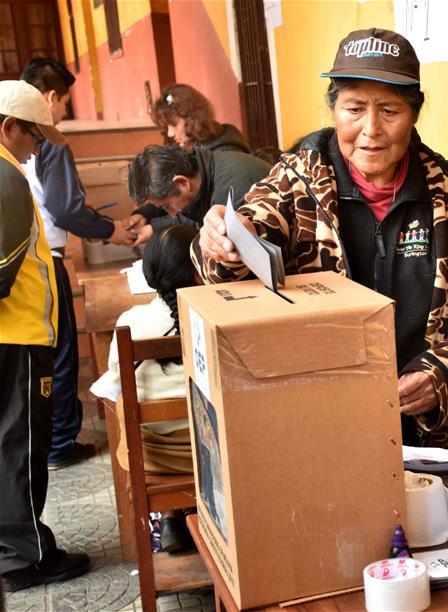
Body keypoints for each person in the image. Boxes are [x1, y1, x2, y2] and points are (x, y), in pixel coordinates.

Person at [197, 28, 448, 448]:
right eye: (354, 109)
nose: (371, 129)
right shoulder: (292, 185)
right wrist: (221, 243)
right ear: (333, 111)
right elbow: (235, 261)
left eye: (390, 111)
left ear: (414, 113)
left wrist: (442, 375)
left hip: (435, 437)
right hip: (324, 426)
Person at [21, 57, 134, 470]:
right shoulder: (48, 139)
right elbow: (65, 209)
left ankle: (48, 440)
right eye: (66, 102)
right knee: (61, 350)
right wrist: (110, 230)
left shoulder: (11, 134)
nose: (64, 112)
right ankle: (59, 444)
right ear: (51, 97)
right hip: (43, 263)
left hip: (21, 262)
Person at [0, 79, 90, 591]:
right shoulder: (5, 176)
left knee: (7, 442)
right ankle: (26, 556)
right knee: (22, 443)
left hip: (11, 335)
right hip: (16, 338)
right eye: (34, 138)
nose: (37, 150)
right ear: (8, 126)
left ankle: (12, 548)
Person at [90, 224, 198, 552]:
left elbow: (115, 378)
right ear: (200, 267)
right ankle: (201, 516)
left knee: (127, 405)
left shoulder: (130, 322)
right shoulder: (213, 317)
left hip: (153, 456)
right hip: (210, 453)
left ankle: (169, 516)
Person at [125, 143, 272, 246]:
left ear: (182, 183)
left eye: (166, 206)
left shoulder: (228, 195)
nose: (172, 214)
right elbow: (195, 215)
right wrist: (154, 228)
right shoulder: (207, 169)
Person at [151, 83, 251, 154]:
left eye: (174, 124)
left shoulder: (225, 153)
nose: (170, 133)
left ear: (193, 119)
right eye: (167, 127)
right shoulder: (191, 148)